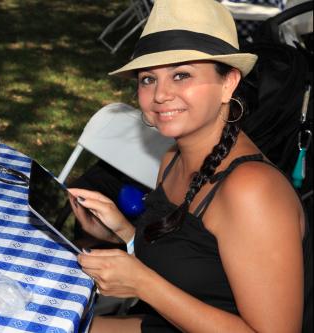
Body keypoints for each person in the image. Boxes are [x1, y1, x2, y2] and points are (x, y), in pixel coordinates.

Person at [68, 0, 310, 331]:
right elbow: (193, 264)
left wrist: (143, 285)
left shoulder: (252, 191)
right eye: (148, 79)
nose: (160, 94)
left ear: (228, 83)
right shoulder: (172, 159)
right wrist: (122, 233)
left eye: (181, 75)